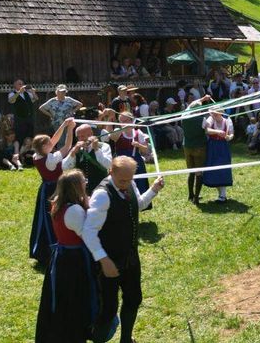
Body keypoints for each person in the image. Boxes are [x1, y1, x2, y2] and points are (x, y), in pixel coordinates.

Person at [83, 157, 165, 343]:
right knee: (108, 310)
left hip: (130, 258)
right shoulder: (102, 195)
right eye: (122, 181)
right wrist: (104, 260)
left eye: (130, 179)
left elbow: (139, 204)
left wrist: (154, 189)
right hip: (109, 262)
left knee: (134, 299)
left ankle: (126, 340)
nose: (126, 184)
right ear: (111, 172)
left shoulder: (129, 182)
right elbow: (88, 231)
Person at [35, 169, 105, 342]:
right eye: (84, 181)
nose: (86, 184)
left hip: (62, 256)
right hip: (74, 259)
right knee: (76, 298)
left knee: (63, 298)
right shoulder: (74, 210)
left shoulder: (59, 204)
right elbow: (86, 234)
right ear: (76, 186)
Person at [30, 118, 76, 264]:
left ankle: (42, 250)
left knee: (44, 219)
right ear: (44, 147)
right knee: (54, 218)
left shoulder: (37, 155)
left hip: (45, 189)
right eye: (48, 143)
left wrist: (64, 124)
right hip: (55, 189)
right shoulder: (51, 159)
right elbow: (67, 146)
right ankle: (52, 250)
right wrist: (70, 129)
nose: (52, 143)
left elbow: (54, 140)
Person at [110, 112, 152, 209]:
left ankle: (139, 205)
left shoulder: (138, 133)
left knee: (139, 184)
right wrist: (122, 128)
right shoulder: (118, 131)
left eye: (126, 121)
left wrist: (138, 145)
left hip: (136, 163)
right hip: (121, 164)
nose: (123, 123)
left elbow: (145, 149)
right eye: (121, 121)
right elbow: (113, 138)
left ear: (131, 120)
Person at [63, 124, 114, 194]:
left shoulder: (103, 146)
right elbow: (64, 168)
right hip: (82, 189)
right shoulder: (76, 149)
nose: (81, 139)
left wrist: (96, 149)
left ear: (91, 134)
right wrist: (72, 153)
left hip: (101, 187)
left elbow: (108, 165)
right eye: (79, 137)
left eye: (83, 136)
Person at [180, 95, 211, 204]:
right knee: (199, 173)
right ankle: (196, 198)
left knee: (191, 172)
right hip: (199, 147)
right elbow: (207, 131)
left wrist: (202, 99)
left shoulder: (184, 116)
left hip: (187, 147)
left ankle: (190, 195)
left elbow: (190, 107)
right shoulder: (202, 119)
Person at [203, 108, 235, 204]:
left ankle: (223, 195)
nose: (214, 115)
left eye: (216, 113)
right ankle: (221, 194)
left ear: (220, 113)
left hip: (223, 147)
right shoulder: (210, 119)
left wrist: (229, 137)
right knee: (214, 169)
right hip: (212, 146)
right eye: (213, 113)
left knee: (223, 169)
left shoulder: (227, 120)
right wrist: (217, 132)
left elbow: (231, 133)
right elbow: (207, 130)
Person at [9, 79, 39, 143]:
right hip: (19, 119)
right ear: (15, 85)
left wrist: (33, 92)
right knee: (20, 136)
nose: (22, 85)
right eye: (19, 84)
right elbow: (11, 101)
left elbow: (36, 99)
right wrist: (19, 92)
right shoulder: (12, 94)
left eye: (22, 84)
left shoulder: (27, 93)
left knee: (30, 135)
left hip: (29, 118)